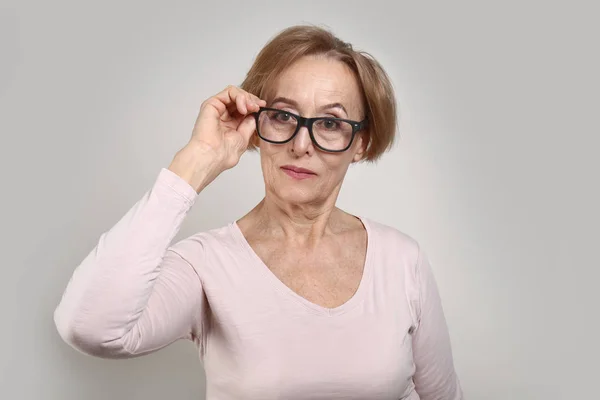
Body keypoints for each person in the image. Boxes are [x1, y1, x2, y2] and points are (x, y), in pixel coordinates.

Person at [54, 25, 463, 400]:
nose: (301, 144)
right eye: (283, 116)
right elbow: (90, 326)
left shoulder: (402, 260)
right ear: (255, 123)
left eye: (330, 123)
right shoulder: (204, 265)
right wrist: (197, 162)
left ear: (361, 143)